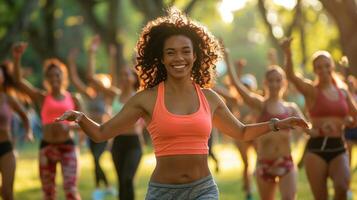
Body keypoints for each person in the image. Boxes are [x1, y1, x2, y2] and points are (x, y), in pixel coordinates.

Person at [56, 8, 308, 200]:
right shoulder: (147, 98)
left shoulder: (209, 97)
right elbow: (101, 133)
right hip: (162, 191)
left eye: (185, 51)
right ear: (161, 58)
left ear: (195, 55)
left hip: (203, 189)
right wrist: (80, 118)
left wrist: (277, 123)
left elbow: (241, 131)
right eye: (171, 52)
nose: (179, 58)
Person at [281, 38, 357, 200]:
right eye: (319, 67)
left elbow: (355, 117)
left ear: (332, 66)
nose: (323, 70)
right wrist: (288, 53)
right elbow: (291, 76)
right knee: (320, 197)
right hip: (316, 149)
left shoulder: (343, 92)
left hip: (338, 146)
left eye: (326, 65)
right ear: (315, 70)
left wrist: (348, 122)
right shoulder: (311, 91)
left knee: (342, 187)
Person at [226, 49, 306, 200]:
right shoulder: (260, 105)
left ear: (284, 83)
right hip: (264, 164)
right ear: (265, 83)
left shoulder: (291, 108)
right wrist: (229, 60)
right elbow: (238, 87)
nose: (275, 84)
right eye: (271, 80)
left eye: (278, 80)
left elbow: (308, 128)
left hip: (286, 162)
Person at [12, 42, 82, 200]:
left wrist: (70, 128)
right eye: (50, 76)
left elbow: (84, 124)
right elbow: (18, 82)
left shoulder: (74, 98)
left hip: (67, 147)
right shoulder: (42, 97)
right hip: (47, 147)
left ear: (63, 77)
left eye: (57, 75)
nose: (54, 78)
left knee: (70, 190)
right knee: (48, 193)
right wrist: (17, 58)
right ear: (46, 79)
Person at [67, 36, 118, 199]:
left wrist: (112, 57)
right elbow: (75, 79)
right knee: (95, 160)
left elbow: (112, 76)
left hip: (104, 130)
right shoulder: (88, 95)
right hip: (89, 131)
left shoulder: (106, 96)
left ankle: (102, 188)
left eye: (99, 83)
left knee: (96, 158)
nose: (96, 84)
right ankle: (105, 187)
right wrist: (71, 63)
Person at [110, 63, 145, 200]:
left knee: (127, 178)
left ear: (134, 78)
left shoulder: (139, 97)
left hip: (134, 143)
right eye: (121, 75)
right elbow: (92, 79)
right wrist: (91, 53)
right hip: (118, 143)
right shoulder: (115, 95)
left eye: (127, 74)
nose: (124, 77)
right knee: (121, 181)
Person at [0, 60, 32, 200]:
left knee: (7, 192)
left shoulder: (8, 99)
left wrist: (28, 132)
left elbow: (25, 116)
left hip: (6, 148)